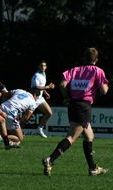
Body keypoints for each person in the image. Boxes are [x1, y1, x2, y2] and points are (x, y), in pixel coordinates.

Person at [42, 47, 109, 176]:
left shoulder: (75, 70)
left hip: (73, 104)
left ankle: (93, 168)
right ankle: (50, 159)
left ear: (85, 58)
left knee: (89, 136)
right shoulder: (98, 71)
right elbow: (104, 91)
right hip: (83, 106)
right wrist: (106, 84)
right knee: (72, 137)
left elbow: (62, 84)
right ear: (96, 59)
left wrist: (66, 97)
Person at [30, 60, 55, 138]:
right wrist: (48, 87)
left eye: (44, 66)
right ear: (38, 66)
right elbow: (36, 87)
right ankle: (13, 131)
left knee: (49, 113)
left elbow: (41, 86)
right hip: (34, 98)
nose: (43, 67)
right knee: (26, 118)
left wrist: (45, 92)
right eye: (41, 65)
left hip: (40, 98)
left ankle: (40, 128)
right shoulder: (36, 75)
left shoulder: (44, 74)